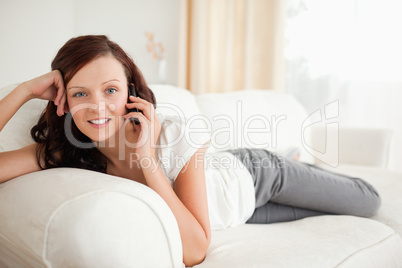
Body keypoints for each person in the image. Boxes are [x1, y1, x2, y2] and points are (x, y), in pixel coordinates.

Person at [0, 35, 381, 267]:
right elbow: (197, 246)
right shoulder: (61, 152)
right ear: (62, 99)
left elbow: (194, 252)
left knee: (368, 201)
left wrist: (148, 158)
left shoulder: (172, 134)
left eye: (111, 90)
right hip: (236, 213)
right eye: (81, 93)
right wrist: (22, 92)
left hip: (256, 176)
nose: (97, 106)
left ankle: (295, 160)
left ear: (130, 92)